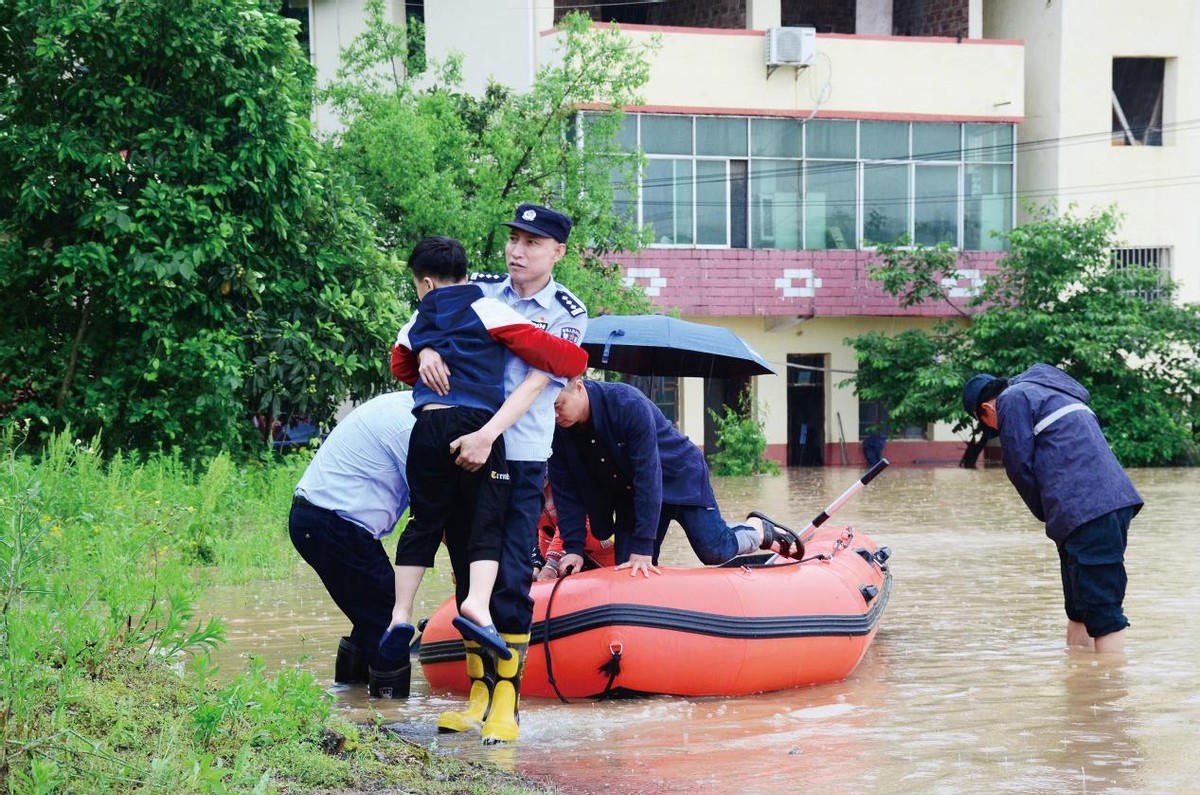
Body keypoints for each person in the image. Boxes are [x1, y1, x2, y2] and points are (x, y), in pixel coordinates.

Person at [415, 204, 587, 743]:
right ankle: (478, 693)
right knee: (467, 571)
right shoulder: (481, 289)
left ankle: (507, 700)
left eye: (532, 243)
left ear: (558, 252)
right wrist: (425, 349)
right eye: (513, 238)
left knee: (511, 574)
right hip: (463, 445)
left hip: (517, 453)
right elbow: (422, 321)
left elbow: (537, 383)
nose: (517, 250)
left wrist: (488, 434)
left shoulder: (567, 311)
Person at [962, 364, 1143, 653]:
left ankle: (1111, 681)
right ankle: (1080, 674)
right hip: (1102, 504)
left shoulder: (1012, 398)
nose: (996, 429)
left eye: (990, 425)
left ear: (986, 409)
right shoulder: (1052, 393)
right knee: (1078, 607)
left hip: (1086, 508)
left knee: (1103, 612)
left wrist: (1045, 512)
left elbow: (1019, 466)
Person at [548, 377, 805, 578]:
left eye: (559, 406)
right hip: (632, 492)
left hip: (679, 476)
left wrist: (644, 548)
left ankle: (759, 531)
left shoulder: (627, 404)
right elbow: (566, 492)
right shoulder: (558, 432)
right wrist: (573, 548)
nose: (555, 415)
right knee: (628, 569)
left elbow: (648, 476)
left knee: (713, 550)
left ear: (578, 387)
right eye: (549, 410)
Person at [288, 391, 416, 697]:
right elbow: (430, 510)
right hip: (334, 523)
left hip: (319, 518)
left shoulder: (400, 406)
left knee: (369, 612)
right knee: (389, 619)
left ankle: (349, 699)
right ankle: (390, 712)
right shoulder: (409, 427)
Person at [532, 479, 616, 581]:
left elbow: (579, 519)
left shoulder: (566, 479)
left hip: (605, 553)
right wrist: (536, 563)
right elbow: (536, 532)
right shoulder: (528, 491)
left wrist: (552, 564)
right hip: (566, 555)